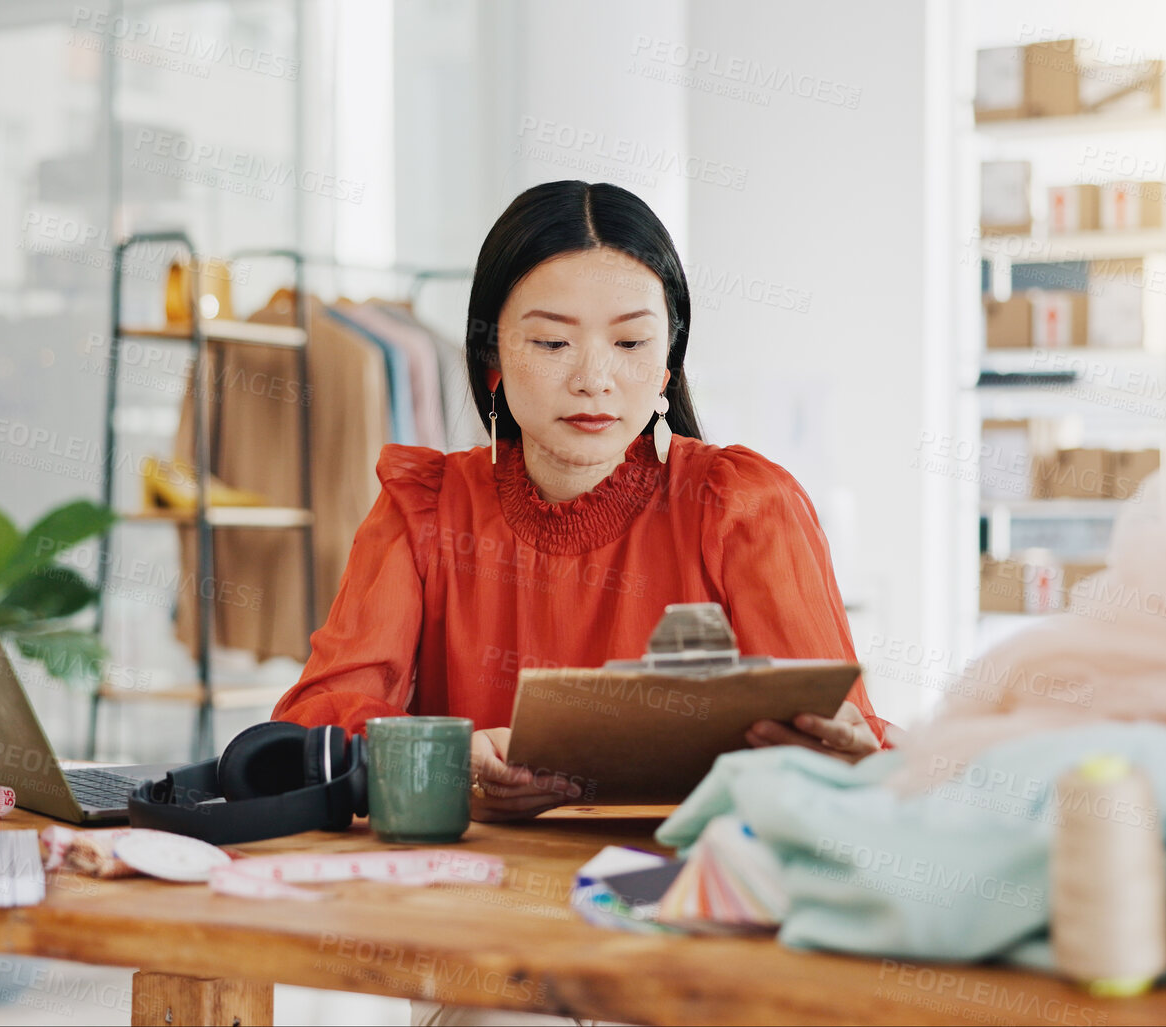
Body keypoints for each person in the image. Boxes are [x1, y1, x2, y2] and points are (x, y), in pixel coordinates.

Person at [274, 180, 898, 822]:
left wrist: (845, 761)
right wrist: (453, 763)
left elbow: (840, 737)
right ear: (493, 358)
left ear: (666, 365)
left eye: (629, 344)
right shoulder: (424, 509)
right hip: (470, 898)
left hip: (681, 894)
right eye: (552, 343)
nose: (593, 379)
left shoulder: (743, 506)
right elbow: (315, 730)